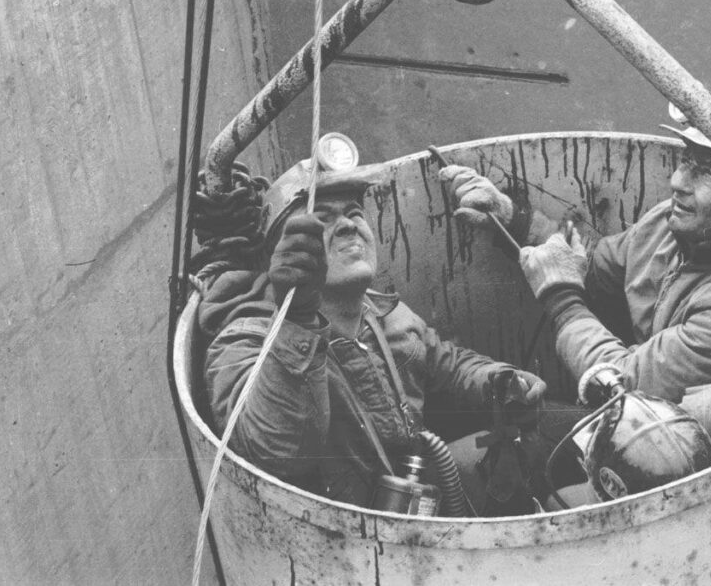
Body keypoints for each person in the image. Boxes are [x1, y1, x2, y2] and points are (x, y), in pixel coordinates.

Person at [440, 98, 711, 460]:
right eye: (686, 161)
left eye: (704, 173)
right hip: (646, 404)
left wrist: (561, 298)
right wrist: (512, 219)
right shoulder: (677, 224)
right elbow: (597, 264)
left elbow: (621, 391)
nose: (677, 181)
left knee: (505, 444)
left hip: (708, 452)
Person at [201, 156, 547, 509]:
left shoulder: (382, 311)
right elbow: (274, 451)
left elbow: (448, 363)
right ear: (282, 253)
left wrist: (497, 380)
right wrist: (299, 320)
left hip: (410, 490)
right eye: (322, 218)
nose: (350, 226)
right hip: (343, 539)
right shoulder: (246, 340)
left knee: (549, 430)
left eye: (354, 212)